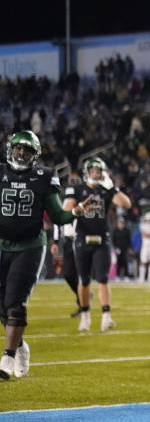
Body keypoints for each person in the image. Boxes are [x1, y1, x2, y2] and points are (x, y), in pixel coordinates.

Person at [0, 130, 98, 380]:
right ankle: (21, 346)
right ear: (10, 149)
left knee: (15, 302)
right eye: (18, 148)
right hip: (2, 245)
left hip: (30, 247)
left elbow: (57, 216)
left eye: (27, 150)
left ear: (35, 155)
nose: (21, 153)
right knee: (2, 307)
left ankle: (8, 356)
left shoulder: (43, 176)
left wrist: (75, 212)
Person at [63, 157, 132, 332]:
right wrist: (78, 207)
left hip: (102, 238)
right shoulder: (77, 188)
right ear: (87, 171)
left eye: (98, 170)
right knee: (84, 279)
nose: (96, 173)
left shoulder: (106, 190)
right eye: (93, 170)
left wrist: (113, 188)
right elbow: (66, 210)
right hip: (82, 238)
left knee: (102, 278)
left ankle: (106, 317)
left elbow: (126, 204)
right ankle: (85, 316)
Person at [50, 221, 81, 316]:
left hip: (81, 239)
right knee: (68, 274)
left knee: (81, 274)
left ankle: (82, 305)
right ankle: (83, 294)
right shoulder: (63, 205)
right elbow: (57, 221)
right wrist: (55, 242)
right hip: (68, 241)